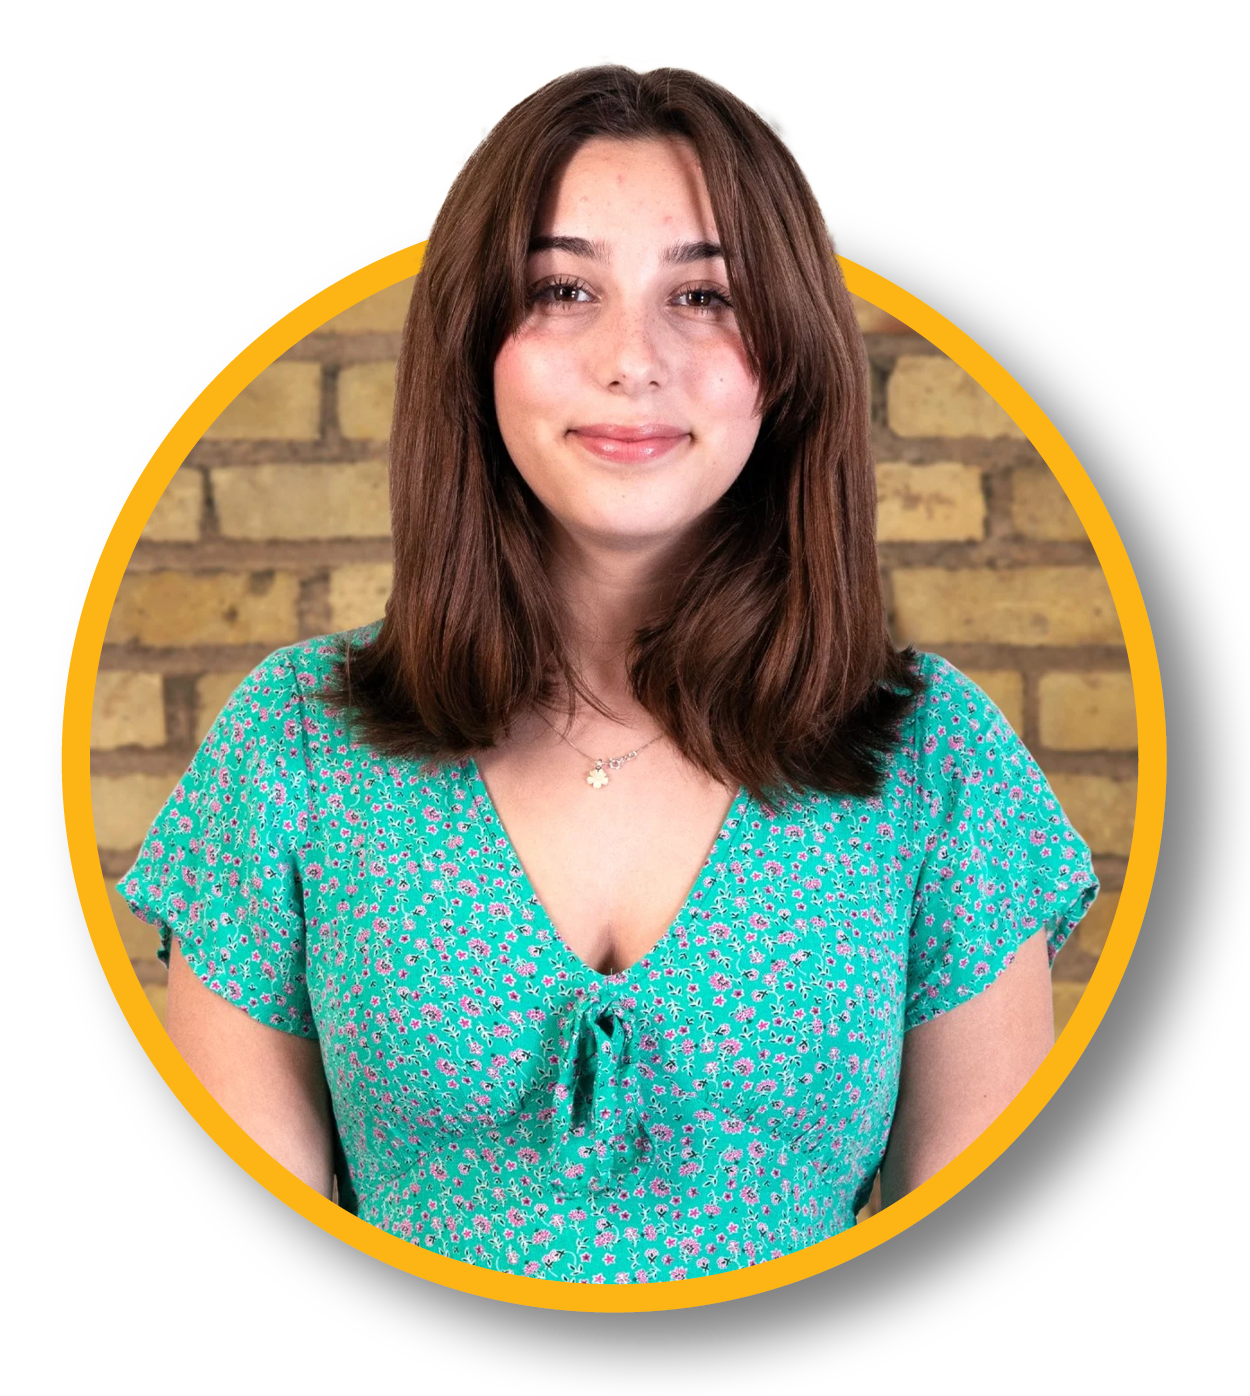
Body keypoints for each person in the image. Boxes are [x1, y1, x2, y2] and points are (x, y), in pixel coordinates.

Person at [118, 59, 1098, 1282]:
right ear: (475, 345)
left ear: (785, 355)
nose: (632, 360)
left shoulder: (934, 757)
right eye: (563, 288)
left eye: (703, 296)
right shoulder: (291, 745)